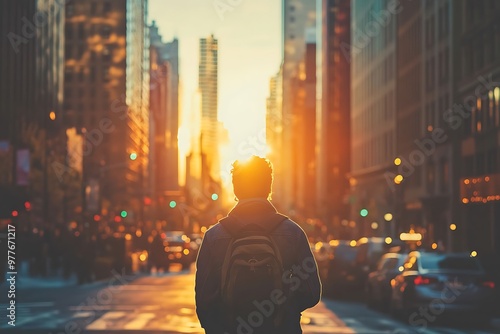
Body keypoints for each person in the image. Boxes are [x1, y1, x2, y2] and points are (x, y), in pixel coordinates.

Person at [195, 156, 321, 334]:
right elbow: (311, 292)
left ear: (235, 189)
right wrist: (283, 310)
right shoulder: (293, 233)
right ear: (269, 187)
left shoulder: (214, 237)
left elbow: (204, 300)